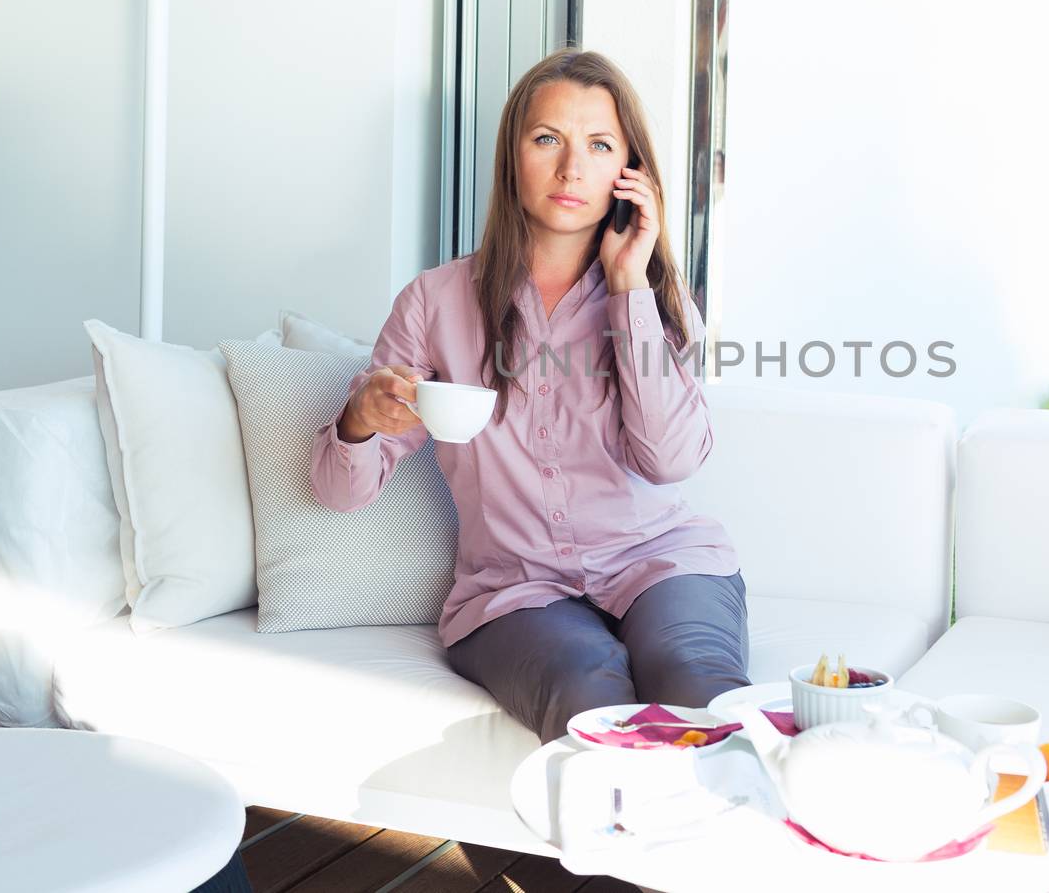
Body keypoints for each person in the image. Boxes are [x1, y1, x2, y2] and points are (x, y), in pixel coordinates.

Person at [309, 47, 749, 744]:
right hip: (515, 590)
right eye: (547, 139)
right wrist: (360, 419)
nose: (572, 168)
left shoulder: (656, 300)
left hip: (661, 561)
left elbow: (669, 460)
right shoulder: (434, 301)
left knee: (699, 687)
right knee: (588, 691)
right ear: (513, 156)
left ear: (628, 173)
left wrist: (630, 282)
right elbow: (340, 493)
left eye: (599, 145)